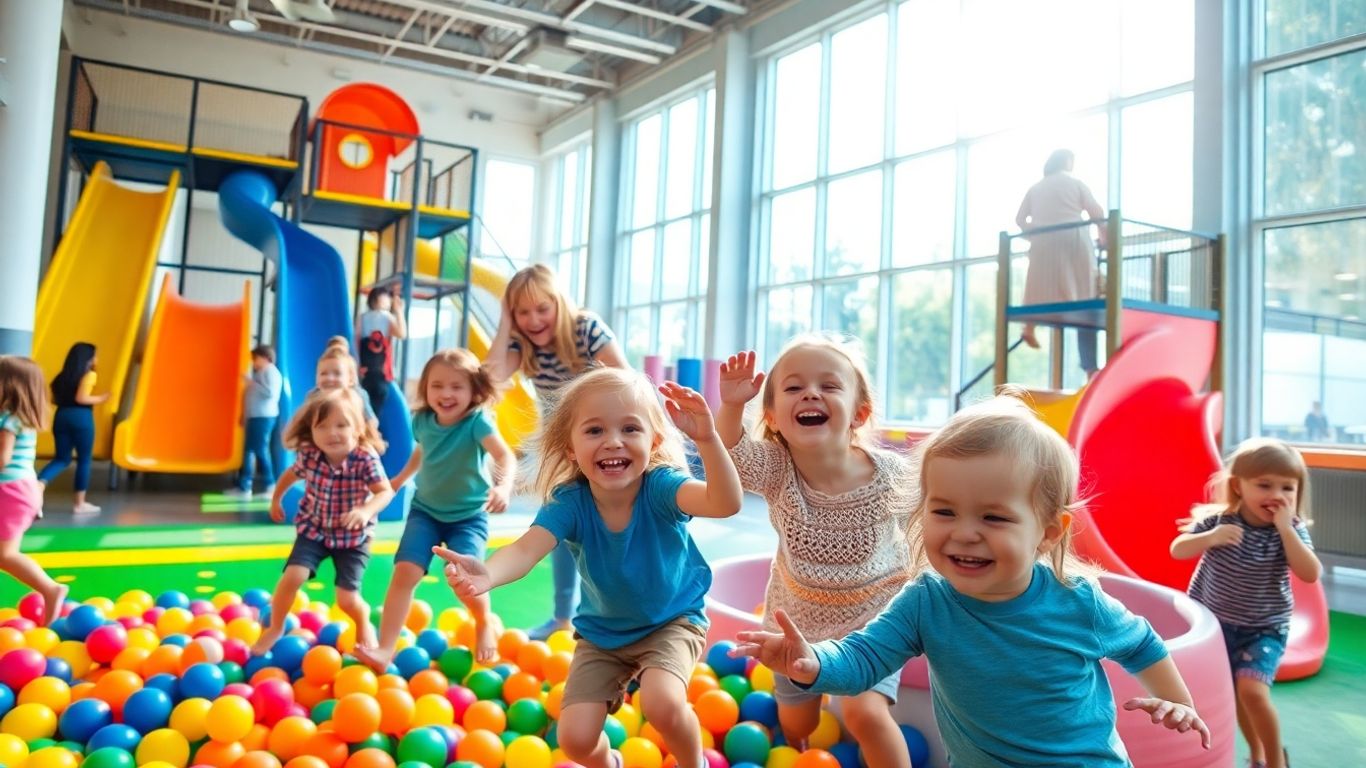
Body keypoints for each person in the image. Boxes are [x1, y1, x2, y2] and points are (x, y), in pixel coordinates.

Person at [733, 396, 1212, 767]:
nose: (964, 532)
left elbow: (1142, 644)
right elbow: (864, 657)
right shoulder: (926, 601)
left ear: (1047, 533)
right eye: (944, 511)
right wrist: (812, 662)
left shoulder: (1076, 601)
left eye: (993, 517)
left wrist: (1178, 702)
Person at [437, 367, 742, 768]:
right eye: (594, 431)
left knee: (662, 702)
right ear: (570, 449)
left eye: (630, 429)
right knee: (576, 740)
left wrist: (707, 439)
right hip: (604, 633)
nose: (613, 441)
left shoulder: (662, 486)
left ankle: (693, 762)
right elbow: (527, 549)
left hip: (671, 619)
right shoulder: (570, 502)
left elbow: (725, 503)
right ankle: (610, 762)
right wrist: (488, 574)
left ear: (654, 441)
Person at [716, 338, 917, 766]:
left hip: (873, 627)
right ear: (772, 416)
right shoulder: (776, 468)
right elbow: (728, 454)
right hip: (796, 626)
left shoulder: (893, 476)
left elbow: (931, 526)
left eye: (829, 385)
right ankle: (803, 747)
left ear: (859, 412)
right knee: (798, 724)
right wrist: (733, 405)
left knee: (865, 714)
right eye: (793, 388)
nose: (811, 394)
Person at [485, 263, 628, 642]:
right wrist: (504, 322)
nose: (533, 320)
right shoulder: (524, 342)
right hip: (561, 444)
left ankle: (604, 617)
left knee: (610, 527)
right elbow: (491, 377)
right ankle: (564, 617)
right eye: (522, 312)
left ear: (559, 304)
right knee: (561, 527)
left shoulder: (585, 328)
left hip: (604, 433)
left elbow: (627, 381)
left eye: (541, 308)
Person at [354, 349, 517, 671]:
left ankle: (483, 621)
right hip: (425, 511)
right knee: (404, 573)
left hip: (468, 517)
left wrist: (503, 486)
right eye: (437, 385)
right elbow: (423, 451)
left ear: (473, 391)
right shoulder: (422, 421)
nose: (446, 394)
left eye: (457, 386)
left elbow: (504, 456)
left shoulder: (476, 423)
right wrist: (399, 479)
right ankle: (385, 649)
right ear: (426, 389)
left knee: (466, 579)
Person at [1170, 438, 1321, 768]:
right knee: (1237, 696)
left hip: (1264, 630)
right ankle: (1257, 755)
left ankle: (1276, 761)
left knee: (1252, 692)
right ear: (1239, 486)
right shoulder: (1220, 520)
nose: (1277, 495)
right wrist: (1209, 538)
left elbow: (1310, 573)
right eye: (1264, 485)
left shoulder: (1290, 529)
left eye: (1287, 488)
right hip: (1217, 626)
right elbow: (1177, 549)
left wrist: (1285, 530)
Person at [254, 388, 393, 655]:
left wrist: (364, 511)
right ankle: (275, 626)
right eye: (323, 426)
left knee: (347, 600)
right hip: (314, 528)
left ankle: (362, 621)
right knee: (293, 576)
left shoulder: (365, 458)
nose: (332, 433)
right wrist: (276, 499)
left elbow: (384, 491)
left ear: (358, 429)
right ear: (312, 431)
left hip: (353, 536)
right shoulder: (309, 455)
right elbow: (289, 475)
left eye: (342, 425)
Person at [1015, 148, 1108, 379]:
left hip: (1044, 245)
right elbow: (1097, 212)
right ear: (1066, 162)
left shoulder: (1035, 188)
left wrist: (1033, 233)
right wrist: (1105, 236)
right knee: (1083, 300)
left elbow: (1019, 219)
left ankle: (1029, 327)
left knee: (1037, 287)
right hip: (1073, 240)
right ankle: (1090, 368)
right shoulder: (1075, 183)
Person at [0, 356, 69, 625]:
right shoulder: (21, 418)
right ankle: (50, 592)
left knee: (5, 555)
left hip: (11, 492)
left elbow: (2, 460)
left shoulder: (7, 419)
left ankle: (50, 589)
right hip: (22, 490)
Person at [37, 342, 109, 514]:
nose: (96, 359)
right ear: (88, 359)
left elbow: (53, 398)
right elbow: (82, 398)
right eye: (94, 356)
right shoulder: (89, 375)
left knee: (61, 459)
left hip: (61, 416)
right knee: (84, 460)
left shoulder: (62, 377)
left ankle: (39, 485)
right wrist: (102, 398)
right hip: (81, 418)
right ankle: (79, 504)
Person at [227, 344, 283, 500]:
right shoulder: (262, 373)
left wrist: (252, 383)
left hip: (263, 417)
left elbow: (270, 393)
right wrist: (244, 414)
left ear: (266, 358)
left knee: (259, 450)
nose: (254, 362)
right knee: (251, 450)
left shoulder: (271, 372)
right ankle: (246, 485)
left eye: (256, 358)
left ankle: (268, 484)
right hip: (256, 416)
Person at [356, 289, 407, 414]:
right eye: (387, 298)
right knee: (376, 405)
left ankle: (366, 427)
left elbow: (356, 341)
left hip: (365, 371)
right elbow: (402, 333)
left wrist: (357, 364)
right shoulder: (386, 316)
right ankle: (372, 428)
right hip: (380, 372)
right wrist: (399, 311)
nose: (390, 301)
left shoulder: (362, 318)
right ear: (378, 299)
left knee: (364, 403)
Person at [313, 346, 378, 427]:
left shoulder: (357, 396)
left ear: (350, 380)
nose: (329, 378)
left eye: (337, 373)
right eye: (323, 374)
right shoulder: (314, 397)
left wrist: (364, 436)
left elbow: (371, 422)